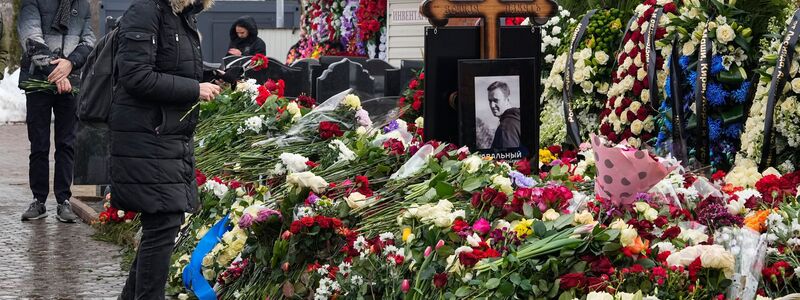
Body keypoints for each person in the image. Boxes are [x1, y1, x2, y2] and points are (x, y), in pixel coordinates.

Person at [111, 0, 220, 298]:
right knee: (162, 221)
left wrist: (212, 76)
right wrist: (194, 89)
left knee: (162, 223)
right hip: (146, 135)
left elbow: (174, 66)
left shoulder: (182, 15)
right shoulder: (147, 11)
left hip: (168, 136)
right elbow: (135, 76)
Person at [18, 0, 95, 222]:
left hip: (70, 82)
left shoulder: (82, 4)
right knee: (39, 144)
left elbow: (89, 40)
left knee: (66, 144)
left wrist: (70, 63)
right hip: (38, 82)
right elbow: (31, 38)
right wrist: (57, 73)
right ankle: (39, 200)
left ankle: (64, 201)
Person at [487, 81, 521, 149]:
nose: (492, 105)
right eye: (490, 101)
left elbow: (509, 157)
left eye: (496, 100)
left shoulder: (506, 126)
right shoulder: (517, 118)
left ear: (507, 99)